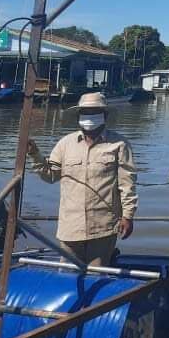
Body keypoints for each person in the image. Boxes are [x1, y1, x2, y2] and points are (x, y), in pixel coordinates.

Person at [27, 92, 137, 266]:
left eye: (95, 112)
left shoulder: (120, 145)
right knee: (68, 275)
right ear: (78, 116)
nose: (90, 117)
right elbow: (50, 175)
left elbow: (127, 184)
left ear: (105, 115)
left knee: (98, 274)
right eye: (85, 112)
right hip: (70, 226)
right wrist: (34, 154)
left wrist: (128, 216)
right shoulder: (65, 144)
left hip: (103, 227)